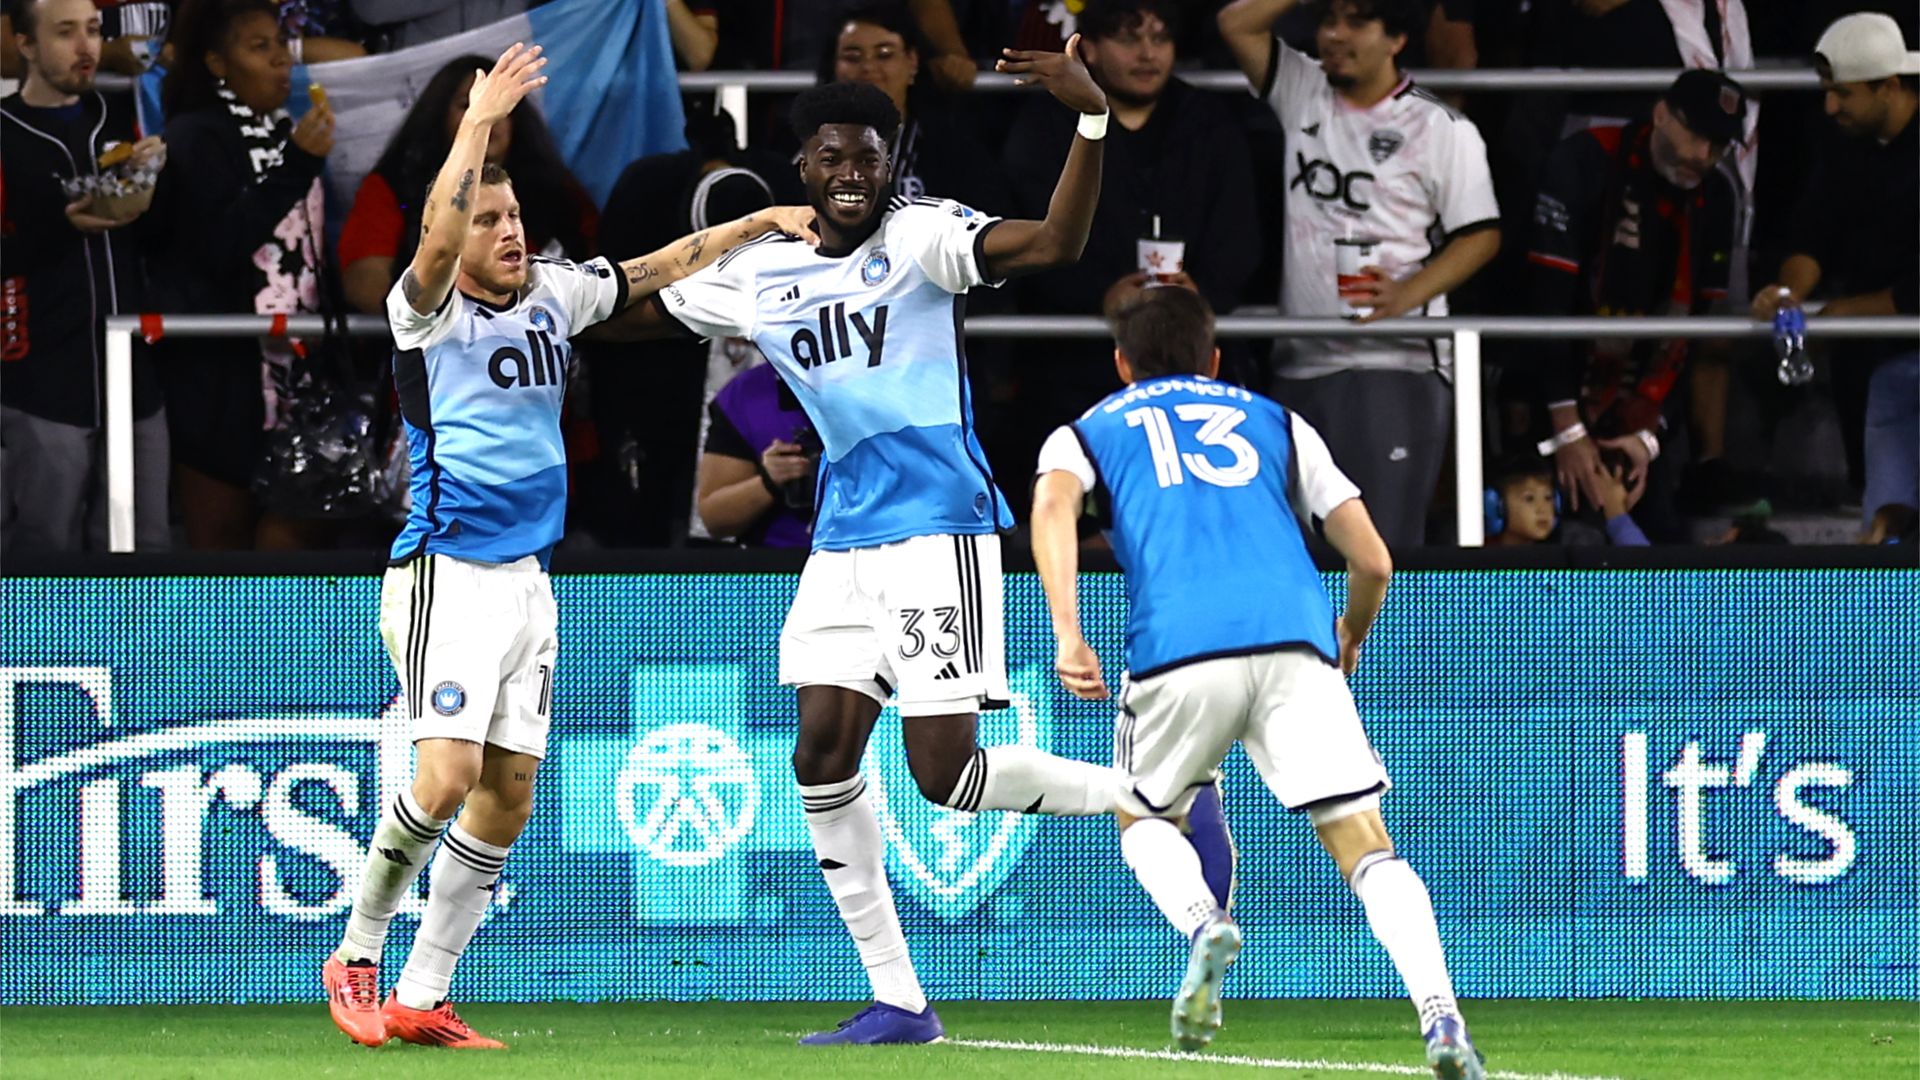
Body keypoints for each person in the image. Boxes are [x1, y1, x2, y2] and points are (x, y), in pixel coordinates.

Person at [596, 51, 1132, 1043]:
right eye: (833, 156)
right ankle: (900, 999)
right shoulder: (763, 270)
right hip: (841, 537)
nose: (852, 173)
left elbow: (1057, 241)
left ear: (892, 164)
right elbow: (629, 316)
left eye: (870, 157)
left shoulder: (924, 236)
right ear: (802, 165)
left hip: (936, 530)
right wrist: (540, 300)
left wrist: (1091, 120)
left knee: (946, 777)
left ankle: (1145, 797)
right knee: (820, 754)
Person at [318, 43, 818, 1051]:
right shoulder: (425, 312)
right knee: (446, 776)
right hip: (446, 571)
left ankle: (423, 992)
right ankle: (358, 950)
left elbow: (654, 271)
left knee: (506, 800)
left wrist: (755, 223)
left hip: (528, 583)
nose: (507, 231)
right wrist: (477, 121)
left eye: (513, 217)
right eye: (487, 219)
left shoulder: (554, 293)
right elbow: (434, 234)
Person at [1029, 286, 1485, 1077]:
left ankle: (1204, 921)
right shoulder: (1278, 421)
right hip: (1296, 641)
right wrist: (1350, 633)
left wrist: (1068, 632)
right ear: (1213, 359)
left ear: (1122, 363)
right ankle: (1441, 1017)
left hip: (1178, 646)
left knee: (1143, 815)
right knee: (1364, 843)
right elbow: (1373, 558)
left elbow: (1051, 507)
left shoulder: (1087, 430)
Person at [1217, 0, 1500, 548]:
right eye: (1329, 20)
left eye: (1357, 22)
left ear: (1396, 38)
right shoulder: (1303, 89)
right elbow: (1236, 22)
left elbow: (1481, 235)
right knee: (1296, 556)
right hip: (1299, 363)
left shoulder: (1442, 126)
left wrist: (1405, 294)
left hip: (1395, 365)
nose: (1336, 35)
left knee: (1381, 553)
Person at [146, 0, 335, 550]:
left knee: (291, 538)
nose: (280, 60)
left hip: (295, 377)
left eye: (280, 45)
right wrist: (297, 166)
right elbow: (216, 246)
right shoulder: (193, 137)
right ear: (216, 63)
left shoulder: (285, 132)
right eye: (259, 47)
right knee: (223, 543)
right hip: (220, 378)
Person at [1525, 70, 1746, 538]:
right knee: (1549, 533)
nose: (1703, 155)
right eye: (1696, 135)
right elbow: (1546, 305)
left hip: (1645, 403)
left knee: (1656, 544)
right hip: (1554, 386)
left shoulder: (1718, 194)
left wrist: (1649, 437)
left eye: (1719, 146)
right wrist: (1567, 427)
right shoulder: (1586, 160)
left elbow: (1696, 333)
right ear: (1661, 114)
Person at [0, 0, 170, 553]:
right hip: (42, 381)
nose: (85, 47)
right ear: (25, 44)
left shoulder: (122, 117)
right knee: (44, 554)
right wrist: (59, 225)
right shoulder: (5, 131)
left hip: (135, 381)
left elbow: (163, 239)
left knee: (145, 550)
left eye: (93, 31)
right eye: (65, 32)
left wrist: (156, 180)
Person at [1750, 11, 1917, 545]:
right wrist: (1789, 293)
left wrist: (1844, 313)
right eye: (1827, 92)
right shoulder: (1843, 142)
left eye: (1843, 94)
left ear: (1889, 87)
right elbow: (1812, 231)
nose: (1829, 106)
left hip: (1895, 346)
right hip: (1880, 367)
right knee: (1881, 530)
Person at [339, 54, 598, 318]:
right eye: (469, 105)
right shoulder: (394, 186)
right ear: (438, 117)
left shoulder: (555, 189)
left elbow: (595, 274)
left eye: (501, 105)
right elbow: (365, 285)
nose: (489, 117)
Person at [696, 362, 818, 547]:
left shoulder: (864, 383)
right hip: (780, 556)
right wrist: (769, 481)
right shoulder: (746, 392)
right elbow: (715, 520)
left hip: (861, 552)